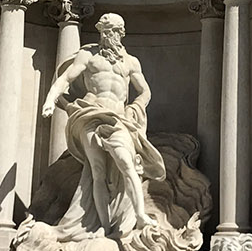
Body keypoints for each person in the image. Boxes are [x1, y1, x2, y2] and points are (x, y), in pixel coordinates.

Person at [40, 12, 165, 236]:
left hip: (118, 118)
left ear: (121, 33)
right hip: (90, 114)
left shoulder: (130, 61)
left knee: (127, 164)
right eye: (106, 31)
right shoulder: (89, 56)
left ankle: (140, 215)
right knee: (96, 170)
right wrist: (51, 99)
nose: (109, 36)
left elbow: (145, 90)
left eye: (114, 31)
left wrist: (135, 107)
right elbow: (66, 79)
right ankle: (104, 227)